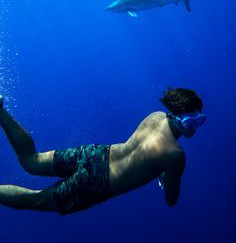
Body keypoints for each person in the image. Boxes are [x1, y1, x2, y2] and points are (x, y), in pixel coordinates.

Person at [0, 87, 206, 215]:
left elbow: (146, 155)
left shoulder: (156, 116)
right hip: (97, 184)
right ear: (177, 115)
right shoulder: (176, 155)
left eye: (200, 121)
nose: (194, 128)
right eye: (190, 122)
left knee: (31, 161)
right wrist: (164, 176)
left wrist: (159, 170)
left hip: (95, 154)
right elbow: (171, 200)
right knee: (36, 200)